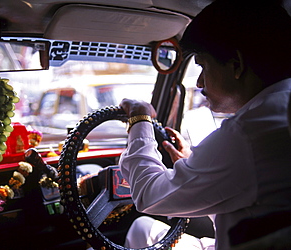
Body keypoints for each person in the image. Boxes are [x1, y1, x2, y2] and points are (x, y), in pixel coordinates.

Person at [119, 0, 291, 249]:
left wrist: (140, 119)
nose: (199, 82)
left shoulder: (247, 133)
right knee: (143, 228)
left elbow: (147, 195)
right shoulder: (276, 113)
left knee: (141, 227)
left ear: (236, 65)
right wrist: (195, 167)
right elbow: (249, 194)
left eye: (202, 65)